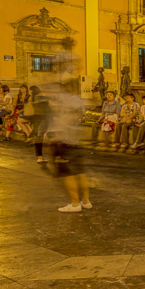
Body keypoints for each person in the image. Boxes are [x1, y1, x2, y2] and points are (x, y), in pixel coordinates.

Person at [49, 84, 92, 213]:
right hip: (76, 142)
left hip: (65, 145)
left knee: (68, 175)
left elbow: (56, 135)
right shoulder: (73, 102)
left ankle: (75, 204)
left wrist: (55, 152)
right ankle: (86, 201)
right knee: (80, 173)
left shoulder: (62, 113)